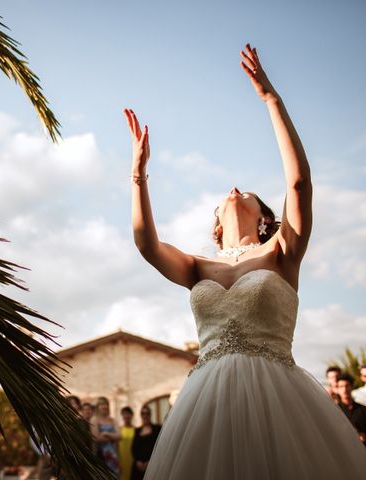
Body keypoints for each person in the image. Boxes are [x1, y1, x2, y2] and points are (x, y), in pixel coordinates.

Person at [125, 43, 366, 478]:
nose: (235, 189)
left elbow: (299, 183)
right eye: (225, 196)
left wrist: (271, 100)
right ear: (216, 225)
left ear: (265, 220)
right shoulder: (197, 266)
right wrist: (138, 175)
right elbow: (146, 244)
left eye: (249, 193)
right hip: (207, 403)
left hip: (279, 399)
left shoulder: (281, 252)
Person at [90, 397, 120, 478]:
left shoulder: (112, 420)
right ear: (98, 407)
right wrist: (113, 436)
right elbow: (96, 438)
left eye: (106, 404)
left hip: (113, 455)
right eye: (102, 404)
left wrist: (106, 433)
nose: (104, 406)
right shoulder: (94, 419)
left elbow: (120, 436)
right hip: (101, 454)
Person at [130, 406, 160, 480]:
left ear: (150, 414)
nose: (145, 415)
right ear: (141, 415)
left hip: (152, 464)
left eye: (147, 413)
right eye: (143, 413)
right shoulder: (137, 430)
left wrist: (150, 462)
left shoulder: (157, 429)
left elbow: (159, 447)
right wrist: (137, 461)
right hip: (138, 466)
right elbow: (133, 448)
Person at [336, 374, 366, 446]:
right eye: (341, 386)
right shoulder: (334, 410)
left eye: (347, 386)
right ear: (337, 389)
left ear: (352, 387)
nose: (344, 389)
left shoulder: (363, 409)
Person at [118, 406, 134, 480]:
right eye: (124, 414)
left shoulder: (136, 430)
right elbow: (116, 446)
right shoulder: (119, 429)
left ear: (131, 415)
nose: (126, 416)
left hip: (132, 459)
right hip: (122, 459)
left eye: (128, 414)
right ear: (122, 416)